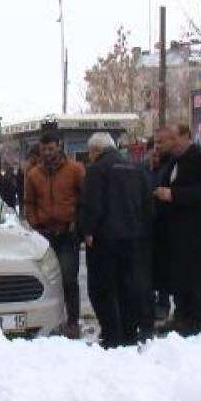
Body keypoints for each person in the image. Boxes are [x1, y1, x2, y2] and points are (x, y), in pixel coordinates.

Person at [79, 133, 152, 347]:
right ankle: (129, 331)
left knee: (103, 288)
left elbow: (92, 204)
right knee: (127, 286)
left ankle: (112, 334)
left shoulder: (96, 170)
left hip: (104, 239)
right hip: (132, 238)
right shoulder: (135, 169)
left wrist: (88, 231)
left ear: (95, 151)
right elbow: (146, 203)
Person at [155, 124, 201, 337]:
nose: (170, 143)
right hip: (176, 230)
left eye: (173, 138)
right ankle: (182, 316)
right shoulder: (173, 160)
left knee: (198, 277)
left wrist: (174, 195)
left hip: (198, 230)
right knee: (179, 276)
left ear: (185, 136)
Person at [24, 130, 86, 338]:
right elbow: (29, 203)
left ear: (59, 146)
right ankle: (48, 319)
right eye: (44, 149)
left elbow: (85, 199)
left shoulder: (75, 170)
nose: (48, 153)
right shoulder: (33, 174)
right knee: (45, 279)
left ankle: (73, 321)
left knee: (69, 278)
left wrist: (78, 224)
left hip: (67, 234)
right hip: (44, 235)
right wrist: (33, 223)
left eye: (51, 148)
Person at [149, 130, 175, 322]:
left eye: (159, 145)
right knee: (151, 267)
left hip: (165, 223)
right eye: (154, 147)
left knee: (165, 266)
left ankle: (163, 304)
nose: (156, 150)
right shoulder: (148, 169)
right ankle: (152, 302)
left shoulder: (170, 166)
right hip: (150, 224)